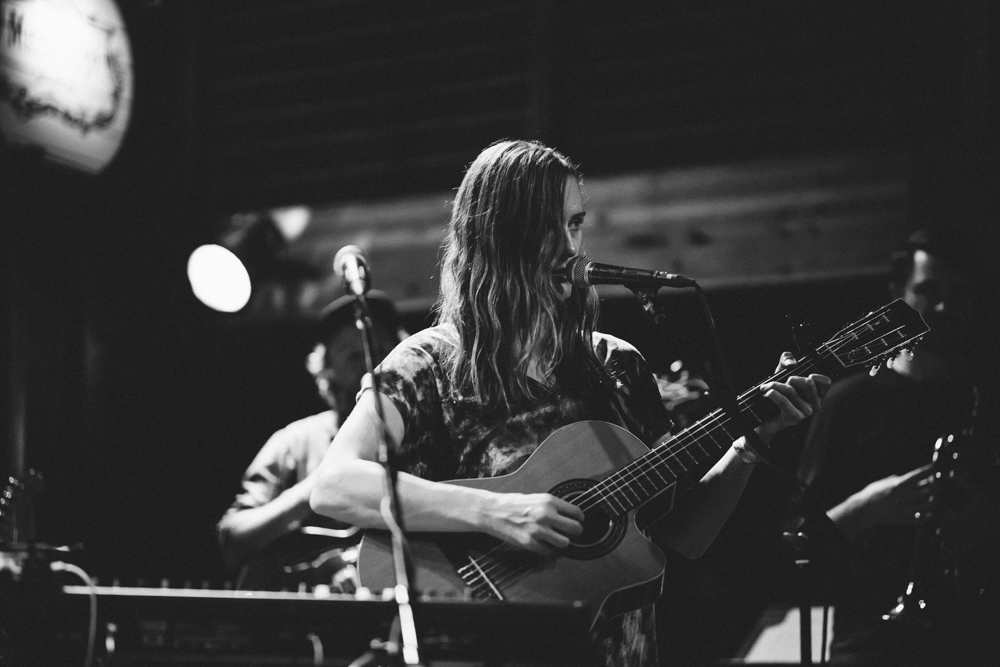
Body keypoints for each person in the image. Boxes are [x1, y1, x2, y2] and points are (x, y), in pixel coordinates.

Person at [309, 139, 830, 666]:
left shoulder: (617, 367)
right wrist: (496, 511)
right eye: (546, 225)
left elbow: (683, 537)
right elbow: (333, 486)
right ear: (494, 234)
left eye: (575, 223)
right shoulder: (427, 364)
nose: (568, 246)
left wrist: (749, 440)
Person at [796, 228, 1000, 665]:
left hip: (975, 639)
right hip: (868, 642)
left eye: (959, 294)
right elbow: (799, 543)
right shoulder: (848, 403)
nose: (945, 307)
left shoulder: (988, 398)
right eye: (929, 291)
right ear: (898, 295)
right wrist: (870, 506)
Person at [216, 289, 407, 591]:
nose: (369, 367)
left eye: (380, 352)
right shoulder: (296, 440)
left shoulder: (425, 441)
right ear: (326, 368)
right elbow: (233, 539)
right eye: (353, 356)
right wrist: (314, 488)